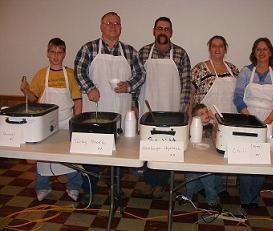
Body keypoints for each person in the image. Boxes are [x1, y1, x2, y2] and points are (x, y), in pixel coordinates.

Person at [74, 12, 146, 202]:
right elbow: (79, 70)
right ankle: (89, 186)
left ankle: (115, 185)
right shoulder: (89, 48)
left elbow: (141, 74)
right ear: (101, 26)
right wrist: (89, 88)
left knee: (119, 149)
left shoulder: (130, 51)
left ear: (121, 27)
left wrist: (128, 86)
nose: (113, 26)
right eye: (109, 23)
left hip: (120, 111)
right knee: (92, 150)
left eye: (117, 23)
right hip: (95, 110)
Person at [20, 38, 83, 201]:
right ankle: (42, 187)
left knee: (71, 156)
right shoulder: (41, 74)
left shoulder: (70, 74)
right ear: (48, 54)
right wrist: (25, 90)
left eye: (59, 52)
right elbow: (33, 99)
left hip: (66, 122)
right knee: (43, 156)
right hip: (46, 123)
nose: (56, 56)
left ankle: (74, 186)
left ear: (64, 55)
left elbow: (77, 100)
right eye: (53, 52)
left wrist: (76, 122)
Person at [137, 16, 191, 198]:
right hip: (148, 106)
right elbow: (136, 81)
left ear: (171, 33)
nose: (162, 32)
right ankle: (148, 181)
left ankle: (162, 183)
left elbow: (185, 83)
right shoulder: (143, 52)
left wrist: (183, 110)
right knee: (149, 144)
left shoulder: (181, 54)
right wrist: (133, 105)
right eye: (159, 28)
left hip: (171, 107)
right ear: (153, 31)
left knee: (167, 144)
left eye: (166, 29)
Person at [234, 37, 273, 209]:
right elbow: (238, 99)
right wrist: (251, 119)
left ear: (270, 52)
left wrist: (267, 121)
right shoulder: (245, 72)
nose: (262, 52)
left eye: (265, 49)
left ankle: (254, 198)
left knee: (262, 160)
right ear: (254, 52)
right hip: (248, 118)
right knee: (246, 159)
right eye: (258, 49)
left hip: (270, 120)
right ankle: (244, 199)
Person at [187, 35, 239, 208]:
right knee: (204, 157)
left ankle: (215, 187)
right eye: (214, 46)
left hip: (225, 122)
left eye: (221, 46)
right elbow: (191, 96)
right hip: (204, 122)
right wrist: (189, 120)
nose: (217, 49)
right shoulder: (199, 69)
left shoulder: (233, 69)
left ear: (225, 49)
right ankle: (206, 192)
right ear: (210, 49)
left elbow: (238, 97)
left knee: (219, 157)